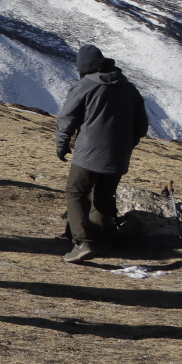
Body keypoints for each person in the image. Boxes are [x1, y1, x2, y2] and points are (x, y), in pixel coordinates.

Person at [55, 43, 148, 263]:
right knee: (103, 197)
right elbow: (142, 124)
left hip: (89, 153)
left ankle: (83, 242)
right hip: (118, 155)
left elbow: (68, 118)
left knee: (75, 192)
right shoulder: (128, 88)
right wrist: (128, 143)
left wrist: (62, 143)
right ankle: (102, 243)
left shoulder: (85, 86)